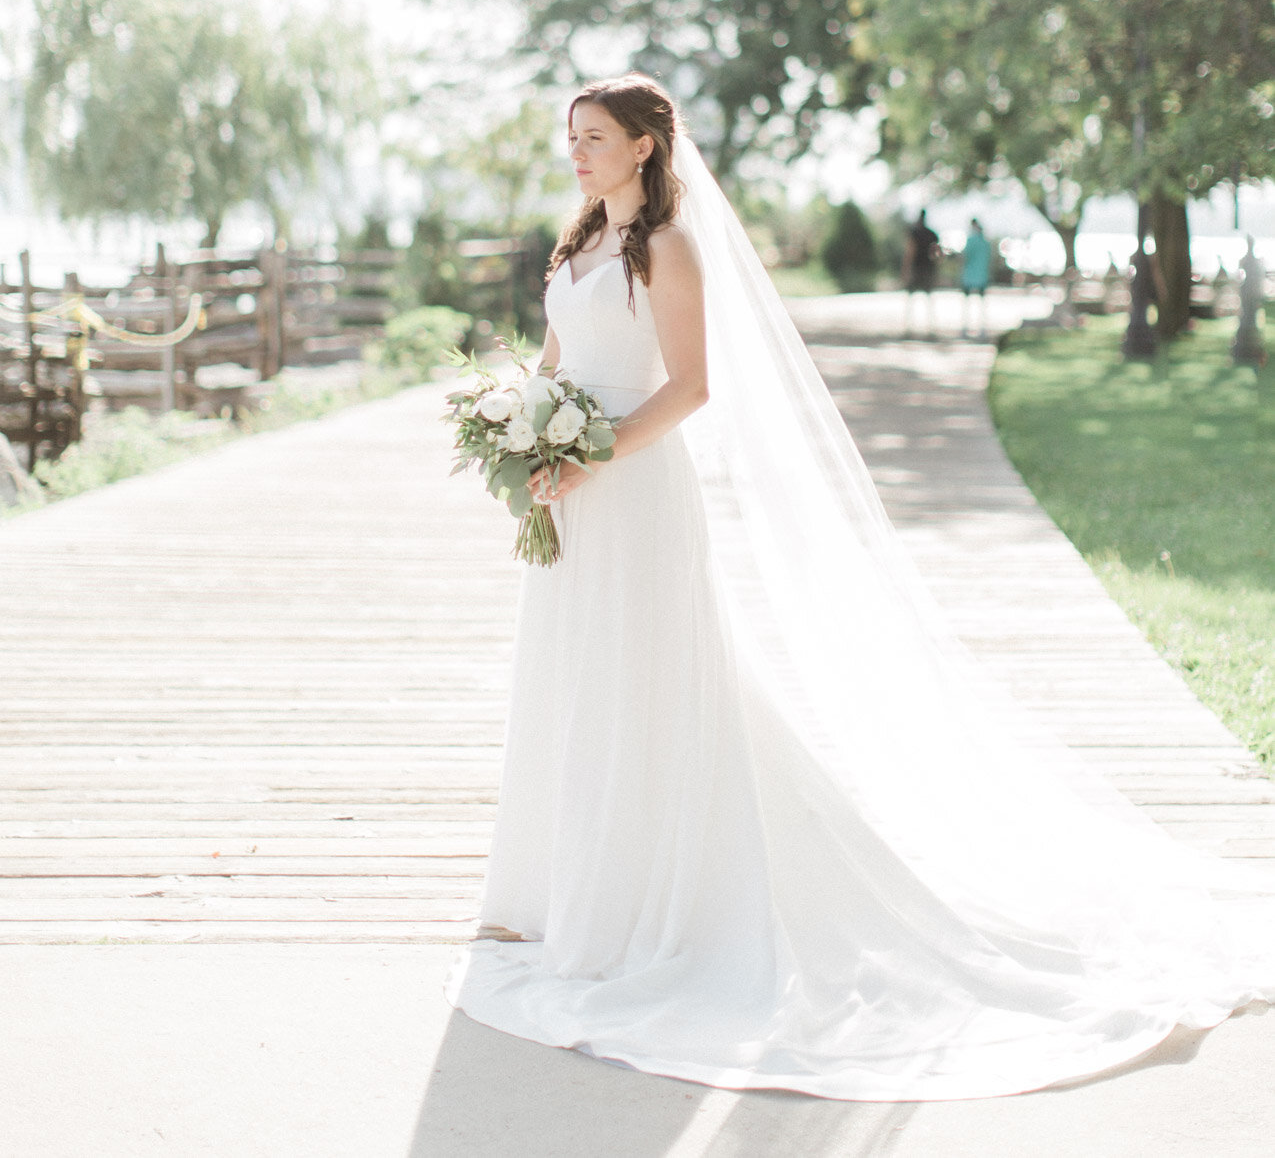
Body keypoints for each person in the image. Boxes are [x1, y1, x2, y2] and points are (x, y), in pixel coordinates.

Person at [446, 72, 1274, 1101]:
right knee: (578, 682)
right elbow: (560, 361)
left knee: (651, 679)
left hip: (637, 485)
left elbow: (694, 385)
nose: (577, 151)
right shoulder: (575, 248)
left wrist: (598, 450)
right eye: (573, 135)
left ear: (649, 147)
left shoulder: (669, 248)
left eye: (598, 136)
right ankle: (563, 891)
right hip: (572, 491)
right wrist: (528, 433)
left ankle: (655, 902)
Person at [903, 208, 940, 336]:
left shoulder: (914, 233)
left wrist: (906, 270)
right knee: (928, 299)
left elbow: (910, 252)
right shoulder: (932, 234)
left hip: (916, 269)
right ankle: (931, 329)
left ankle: (908, 329)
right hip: (928, 270)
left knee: (911, 299)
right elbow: (936, 254)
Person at [960, 217, 993, 337]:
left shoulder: (970, 241)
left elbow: (964, 258)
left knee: (967, 304)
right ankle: (982, 329)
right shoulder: (985, 242)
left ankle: (965, 328)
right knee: (982, 305)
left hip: (969, 276)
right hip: (982, 276)